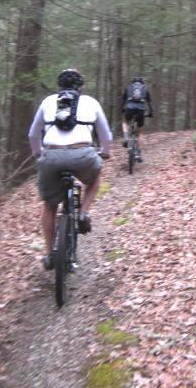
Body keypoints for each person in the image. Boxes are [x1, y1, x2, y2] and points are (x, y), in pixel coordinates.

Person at [28, 69, 112, 269]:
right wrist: (105, 152)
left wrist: (37, 153)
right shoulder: (91, 102)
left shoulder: (48, 102)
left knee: (49, 205)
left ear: (59, 86)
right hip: (82, 154)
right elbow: (106, 135)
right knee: (95, 176)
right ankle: (83, 212)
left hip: (51, 156)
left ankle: (49, 254)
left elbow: (33, 134)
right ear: (80, 87)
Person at [121, 76, 153, 162]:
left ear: (133, 82)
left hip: (130, 108)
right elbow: (149, 103)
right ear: (142, 83)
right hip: (141, 110)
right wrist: (150, 113)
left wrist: (122, 109)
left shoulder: (129, 87)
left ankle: (126, 138)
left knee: (125, 122)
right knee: (140, 132)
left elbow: (123, 100)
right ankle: (138, 153)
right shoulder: (145, 88)